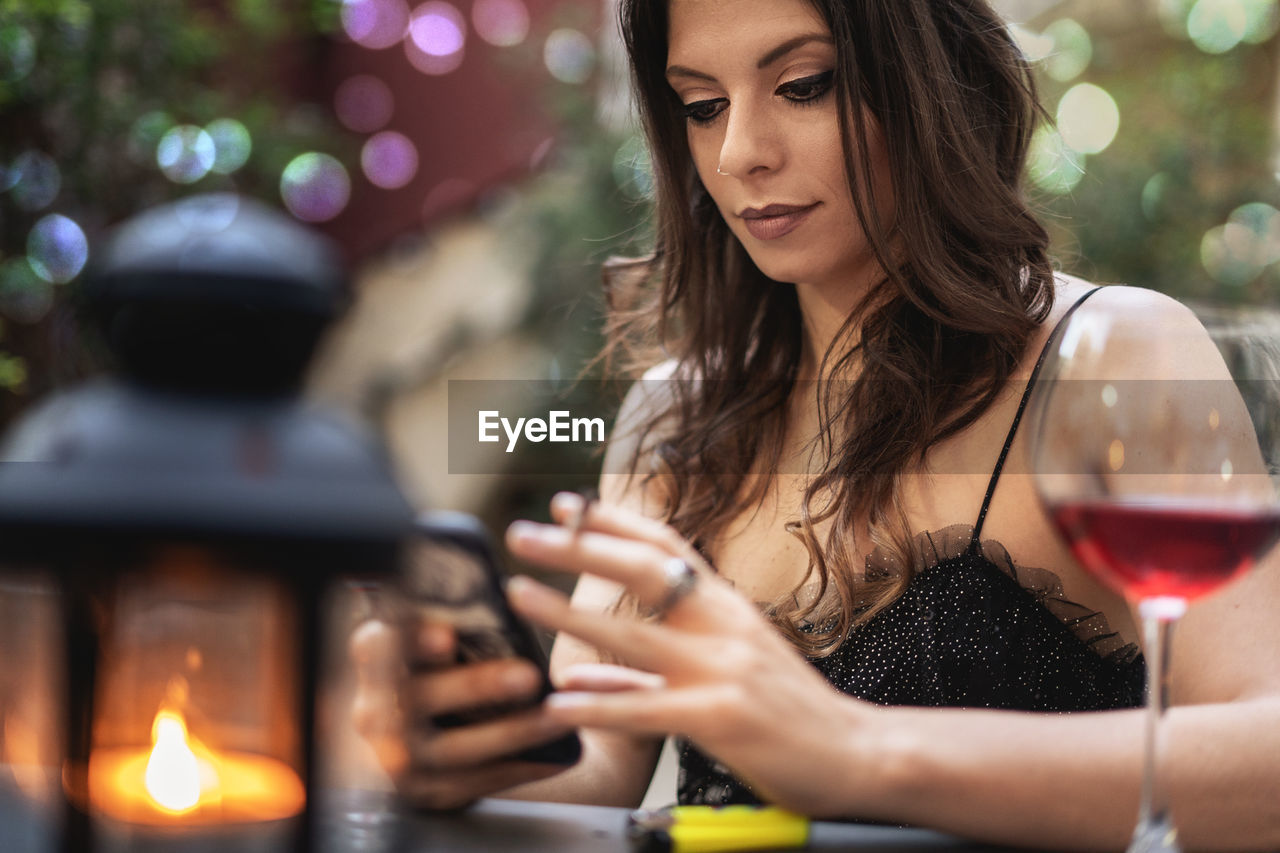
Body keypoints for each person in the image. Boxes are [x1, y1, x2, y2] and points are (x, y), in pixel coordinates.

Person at [350, 0, 1280, 848]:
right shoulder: (677, 417)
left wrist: (860, 748)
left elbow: (1266, 765)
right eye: (702, 105)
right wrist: (466, 749)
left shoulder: (1112, 357)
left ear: (930, 84)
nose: (738, 152)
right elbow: (594, 771)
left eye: (802, 86)